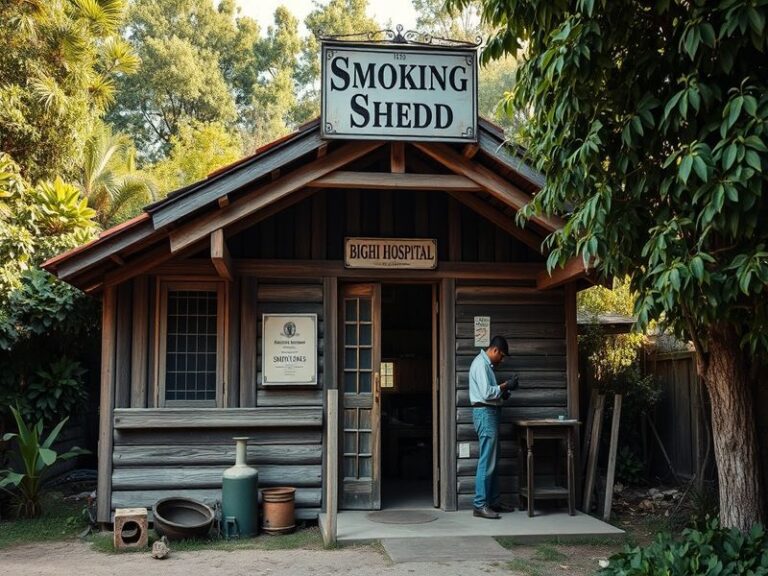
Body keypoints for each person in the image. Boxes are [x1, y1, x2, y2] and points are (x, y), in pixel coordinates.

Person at [469, 335, 516, 519]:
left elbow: (490, 392)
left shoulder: (486, 365)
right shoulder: (480, 364)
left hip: (490, 412)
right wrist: (505, 385)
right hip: (485, 414)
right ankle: (479, 505)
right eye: (502, 356)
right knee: (487, 460)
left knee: (493, 460)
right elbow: (486, 392)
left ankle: (493, 501)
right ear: (494, 350)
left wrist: (502, 394)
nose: (502, 360)